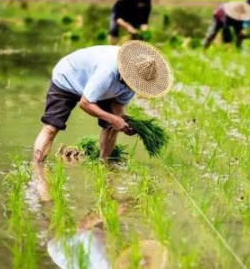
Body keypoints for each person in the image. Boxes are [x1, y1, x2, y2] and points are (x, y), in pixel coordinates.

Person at [32, 41, 174, 201]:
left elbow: (118, 106)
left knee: (111, 126)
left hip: (101, 89)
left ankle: (103, 165)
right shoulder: (107, 71)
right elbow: (85, 103)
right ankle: (37, 171)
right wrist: (113, 118)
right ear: (126, 73)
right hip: (68, 79)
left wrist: (124, 122)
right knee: (52, 127)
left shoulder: (134, 83)